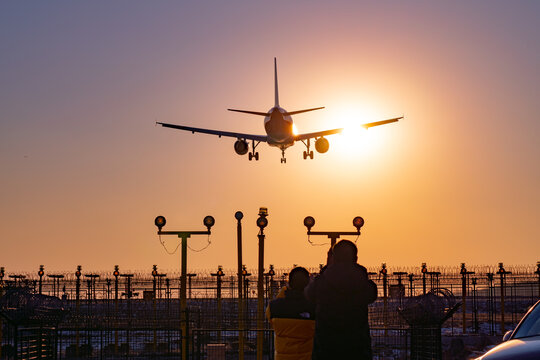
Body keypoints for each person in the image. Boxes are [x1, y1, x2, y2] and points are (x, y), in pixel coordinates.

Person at [305, 240, 377, 360]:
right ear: (356, 258)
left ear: (334, 257)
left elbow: (309, 294)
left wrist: (327, 268)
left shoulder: (322, 282)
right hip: (356, 349)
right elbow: (372, 294)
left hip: (326, 349)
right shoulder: (362, 282)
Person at [266, 266, 315, 360]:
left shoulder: (274, 307)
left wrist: (285, 289)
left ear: (289, 283)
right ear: (308, 284)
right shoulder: (313, 307)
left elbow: (270, 318)